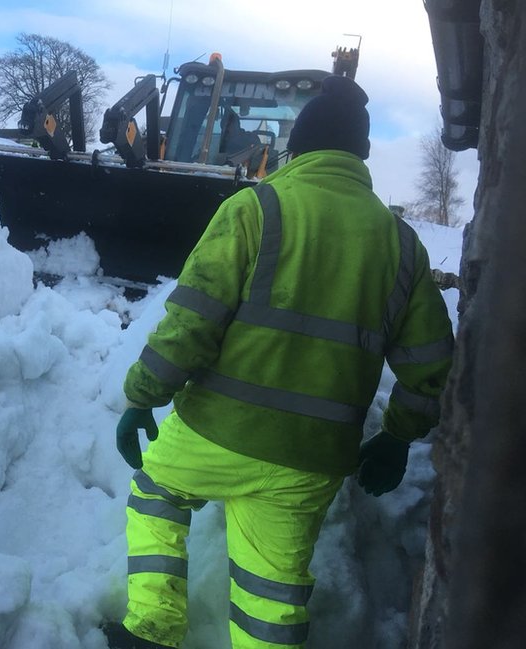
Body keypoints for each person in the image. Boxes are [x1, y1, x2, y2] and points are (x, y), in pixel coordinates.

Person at [103, 75, 455, 649]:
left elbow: (189, 323)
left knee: (156, 493)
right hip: (312, 458)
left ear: (299, 146)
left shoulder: (256, 209)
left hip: (216, 432)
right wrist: (396, 437)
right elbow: (432, 365)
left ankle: (153, 631)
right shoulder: (402, 244)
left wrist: (143, 397)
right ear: (362, 155)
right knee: (272, 594)